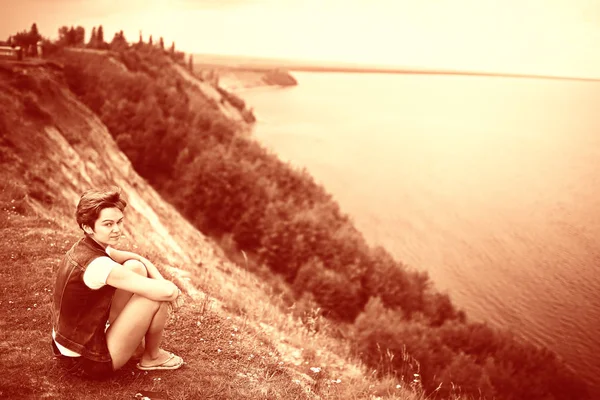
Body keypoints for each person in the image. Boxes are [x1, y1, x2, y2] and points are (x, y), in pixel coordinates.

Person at [51, 187, 185, 379]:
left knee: (135, 267)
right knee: (155, 298)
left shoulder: (88, 247)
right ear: (88, 227)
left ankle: (131, 343)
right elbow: (166, 293)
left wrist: (160, 280)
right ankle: (152, 357)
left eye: (119, 222)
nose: (117, 229)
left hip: (70, 346)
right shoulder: (99, 265)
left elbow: (136, 259)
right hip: (86, 362)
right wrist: (172, 291)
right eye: (108, 224)